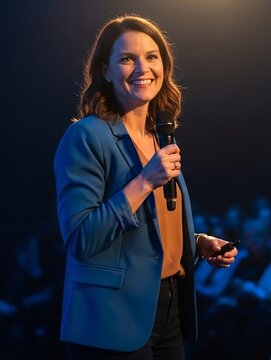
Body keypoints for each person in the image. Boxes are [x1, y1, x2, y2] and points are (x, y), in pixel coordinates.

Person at [53, 15, 238, 359]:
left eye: (152, 57)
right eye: (127, 58)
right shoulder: (86, 137)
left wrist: (197, 244)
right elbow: (80, 239)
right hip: (112, 316)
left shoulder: (160, 136)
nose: (143, 67)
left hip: (169, 309)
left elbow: (150, 230)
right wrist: (142, 182)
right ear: (105, 71)